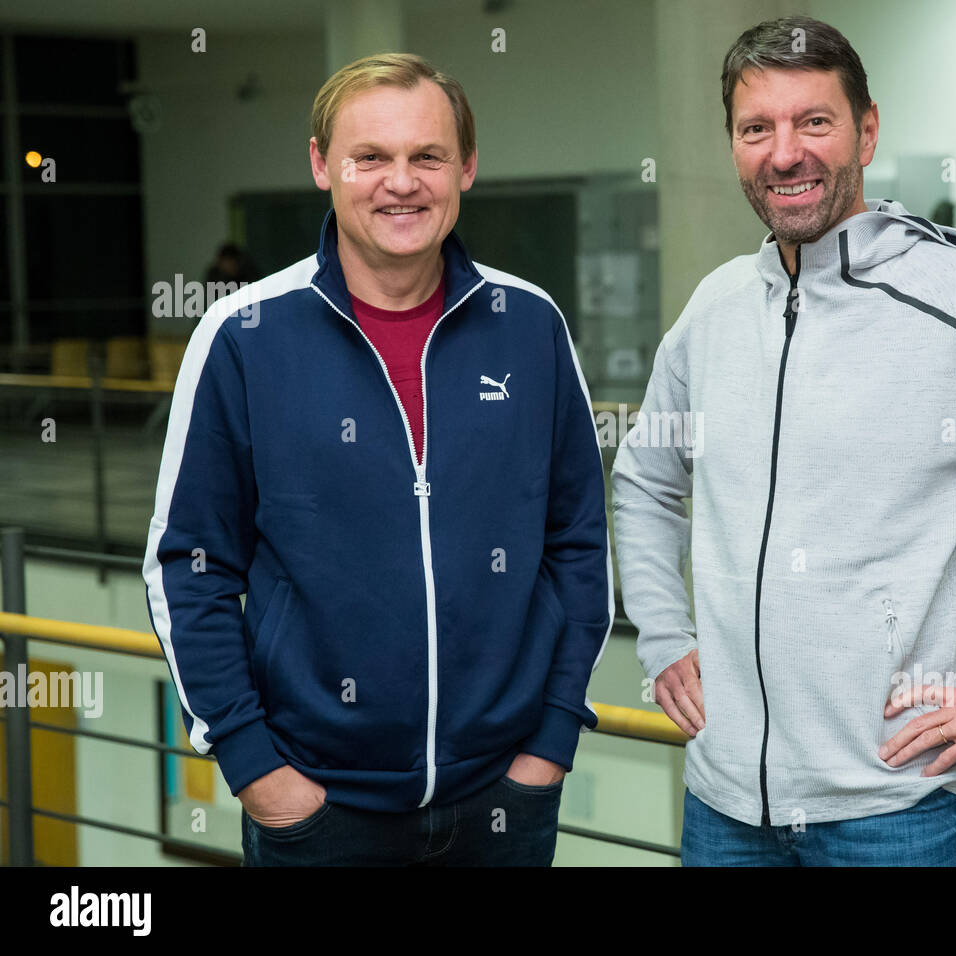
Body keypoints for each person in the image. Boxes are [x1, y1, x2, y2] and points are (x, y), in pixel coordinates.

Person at [611, 16, 956, 866]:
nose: (784, 152)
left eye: (814, 121)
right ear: (734, 144)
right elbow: (643, 479)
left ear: (866, 130)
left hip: (897, 812)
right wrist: (661, 634)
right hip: (724, 806)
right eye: (755, 128)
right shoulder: (714, 310)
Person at [143, 53, 612, 866]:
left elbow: (578, 540)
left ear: (465, 165)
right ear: (323, 164)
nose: (402, 182)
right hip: (318, 811)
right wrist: (258, 770)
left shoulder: (529, 325)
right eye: (372, 157)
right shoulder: (244, 338)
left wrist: (551, 742)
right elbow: (190, 566)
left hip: (505, 800)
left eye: (427, 156)